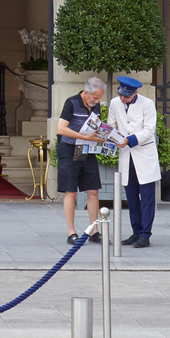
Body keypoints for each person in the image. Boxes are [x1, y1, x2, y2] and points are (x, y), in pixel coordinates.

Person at [107, 75, 160, 248]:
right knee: (131, 197)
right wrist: (111, 136)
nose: (123, 98)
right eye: (121, 94)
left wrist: (129, 139)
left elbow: (149, 130)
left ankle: (145, 234)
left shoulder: (147, 104)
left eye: (127, 96)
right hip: (126, 155)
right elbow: (111, 124)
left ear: (135, 92)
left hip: (143, 154)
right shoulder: (115, 103)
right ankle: (136, 231)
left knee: (147, 197)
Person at [55, 77, 108, 245]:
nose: (97, 101)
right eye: (95, 98)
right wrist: (83, 136)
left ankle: (94, 230)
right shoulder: (71, 103)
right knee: (71, 191)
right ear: (86, 93)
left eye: (99, 98)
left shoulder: (95, 105)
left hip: (87, 150)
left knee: (93, 190)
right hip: (69, 150)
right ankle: (72, 232)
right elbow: (61, 129)